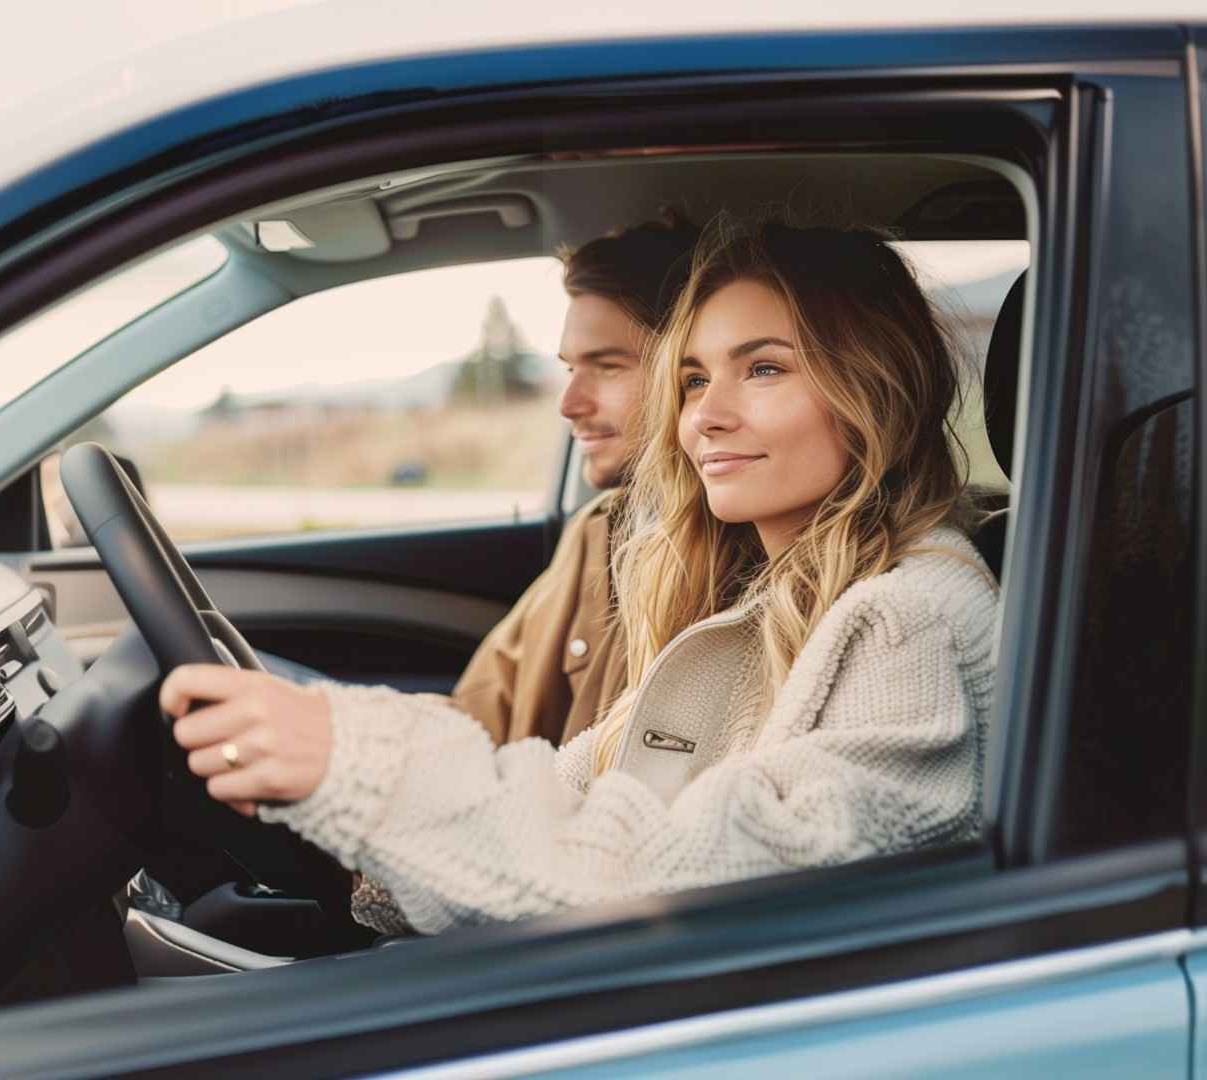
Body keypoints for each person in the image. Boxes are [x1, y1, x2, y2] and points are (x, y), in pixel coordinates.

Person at [160, 220, 1000, 935]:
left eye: (766, 367)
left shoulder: (908, 618)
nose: (704, 413)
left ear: (875, 387)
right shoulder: (774, 599)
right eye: (695, 377)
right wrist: (340, 808)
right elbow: (581, 787)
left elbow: (713, 876)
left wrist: (362, 769)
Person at [451, 215, 700, 747]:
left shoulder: (739, 560)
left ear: (692, 371)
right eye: (569, 370)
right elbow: (478, 712)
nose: (569, 405)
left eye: (608, 367)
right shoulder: (598, 530)